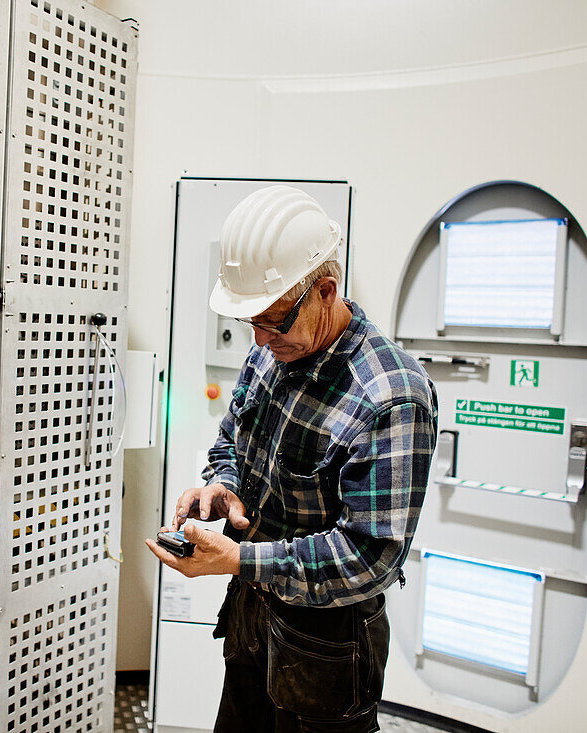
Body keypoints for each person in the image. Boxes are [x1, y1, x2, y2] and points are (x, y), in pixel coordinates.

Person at [145, 185, 438, 732]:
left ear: (326, 291)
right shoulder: (275, 350)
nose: (258, 339)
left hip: (327, 642)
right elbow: (231, 439)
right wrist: (224, 485)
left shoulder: (389, 396)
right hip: (253, 615)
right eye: (249, 321)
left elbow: (370, 556)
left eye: (273, 320)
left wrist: (237, 560)